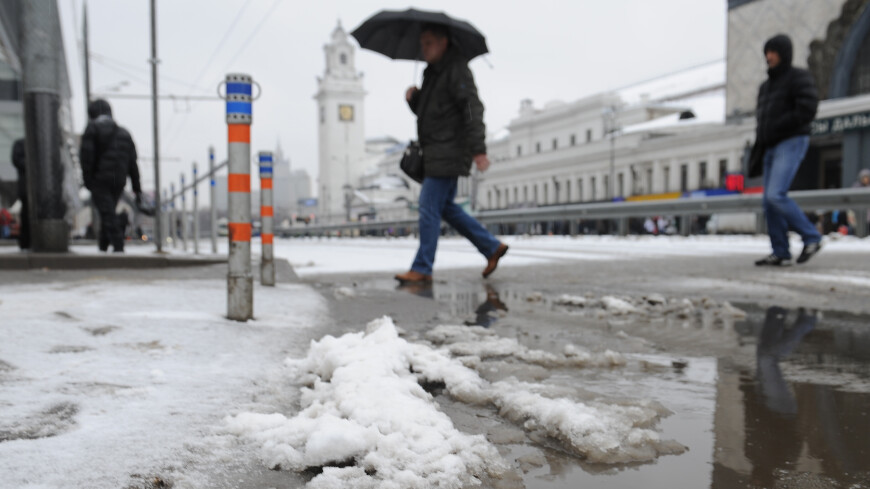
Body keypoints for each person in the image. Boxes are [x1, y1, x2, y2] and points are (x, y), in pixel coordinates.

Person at [394, 23, 508, 284]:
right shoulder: (432, 74)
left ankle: (422, 268)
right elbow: (432, 114)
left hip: (450, 151)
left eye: (429, 42)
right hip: (436, 151)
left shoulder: (456, 69)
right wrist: (415, 99)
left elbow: (471, 108)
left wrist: (478, 149)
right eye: (422, 43)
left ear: (444, 42)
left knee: (428, 207)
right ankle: (491, 247)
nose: (424, 48)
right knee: (445, 208)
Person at [749, 34, 822, 267]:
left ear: (784, 53)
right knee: (768, 202)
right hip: (769, 146)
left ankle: (811, 236)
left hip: (791, 140)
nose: (769, 57)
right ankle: (780, 251)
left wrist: (781, 125)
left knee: (775, 194)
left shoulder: (798, 77)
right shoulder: (766, 87)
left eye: (773, 51)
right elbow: (762, 121)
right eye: (767, 52)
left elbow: (808, 107)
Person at [79, 99, 142, 253]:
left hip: (100, 179)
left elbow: (87, 157)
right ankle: (103, 245)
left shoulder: (92, 129)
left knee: (107, 213)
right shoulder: (124, 133)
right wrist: (136, 188)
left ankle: (118, 245)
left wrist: (88, 180)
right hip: (119, 179)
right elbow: (133, 163)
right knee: (108, 211)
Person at [10, 138, 29, 249]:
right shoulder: (20, 144)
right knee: (26, 213)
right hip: (25, 185)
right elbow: (16, 160)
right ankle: (26, 242)